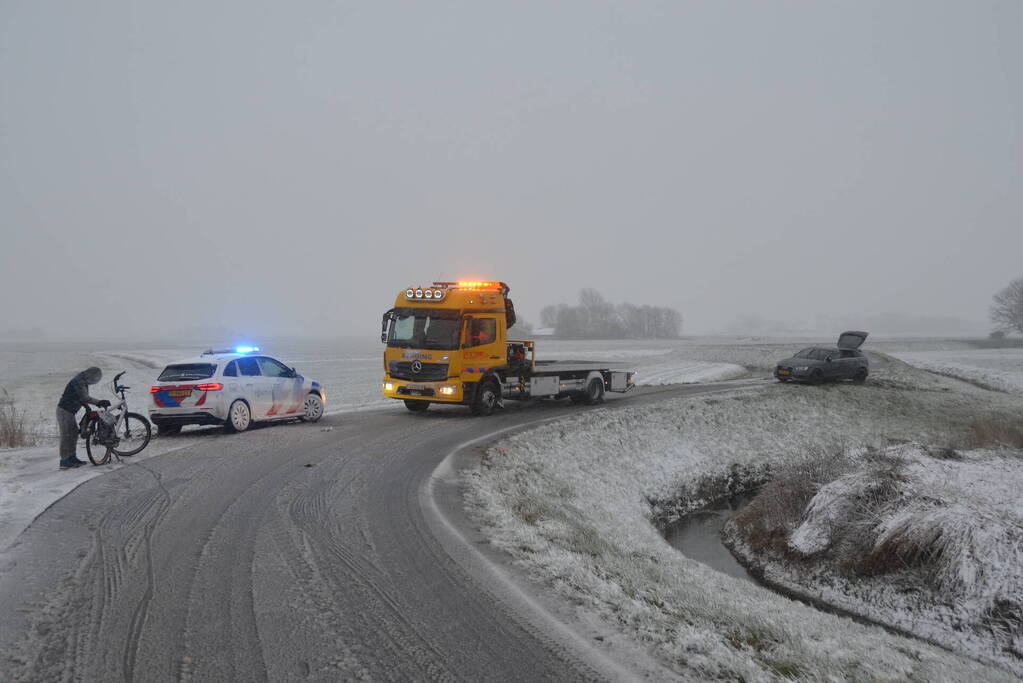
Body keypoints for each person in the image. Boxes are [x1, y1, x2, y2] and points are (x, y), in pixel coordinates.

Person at [57, 367, 109, 470]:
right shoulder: (79, 382)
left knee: (73, 434)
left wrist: (87, 407)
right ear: (91, 375)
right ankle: (64, 461)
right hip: (64, 411)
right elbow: (84, 397)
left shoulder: (82, 380)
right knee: (66, 436)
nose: (95, 381)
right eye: (95, 378)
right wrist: (99, 402)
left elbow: (80, 397)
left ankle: (72, 457)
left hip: (70, 411)